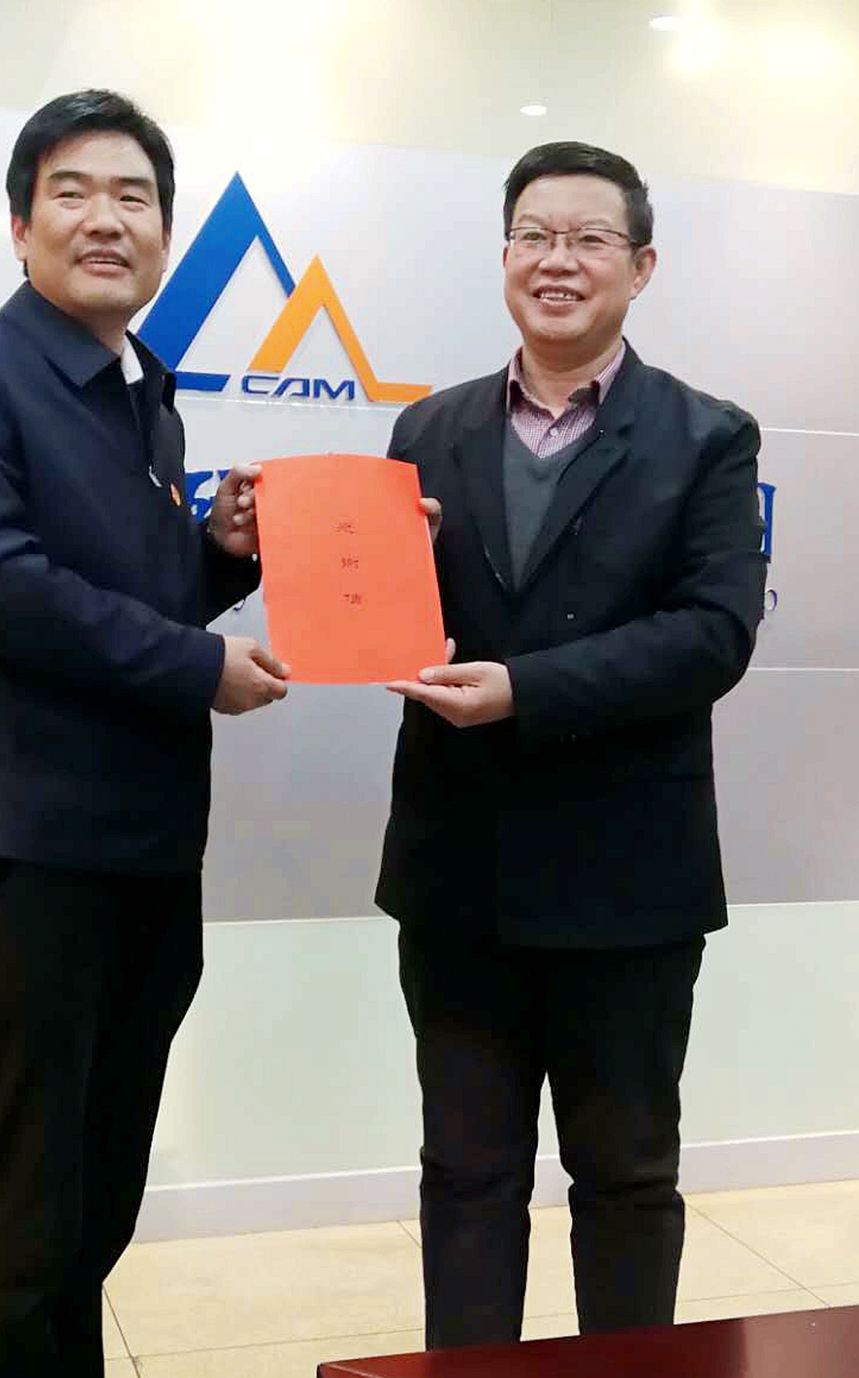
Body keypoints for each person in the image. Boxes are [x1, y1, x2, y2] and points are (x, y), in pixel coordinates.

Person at [0, 89, 288, 1377]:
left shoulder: (146, 396)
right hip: (29, 852)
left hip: (151, 851)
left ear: (165, 235)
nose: (105, 219)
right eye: (72, 192)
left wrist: (215, 557)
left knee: (93, 1211)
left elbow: (132, 600)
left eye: (134, 197)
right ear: (20, 226)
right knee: (18, 1227)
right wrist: (198, 664)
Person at [380, 141, 767, 1347]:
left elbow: (712, 633)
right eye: (533, 235)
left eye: (589, 238)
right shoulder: (425, 429)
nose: (558, 260)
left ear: (639, 266)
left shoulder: (707, 436)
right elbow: (388, 618)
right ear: (503, 255)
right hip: (458, 873)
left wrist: (525, 691)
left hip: (627, 880)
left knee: (626, 1177)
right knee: (465, 1175)